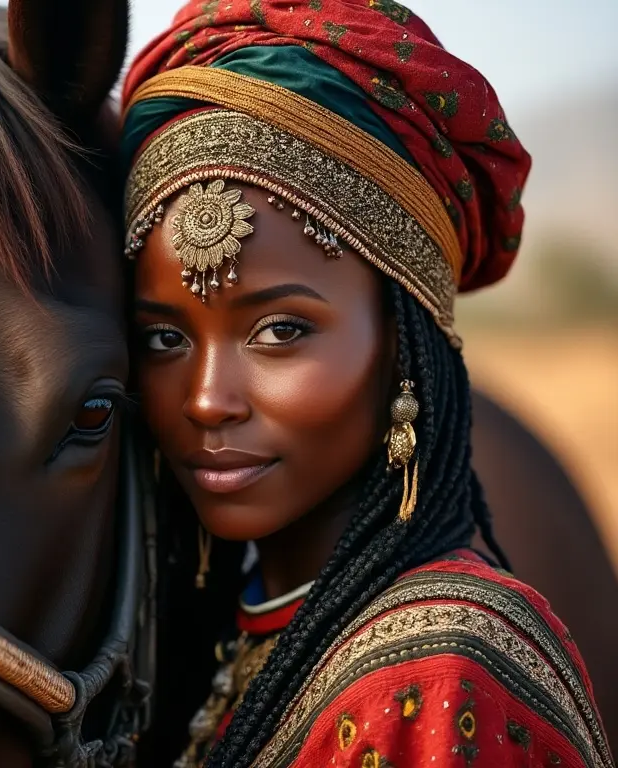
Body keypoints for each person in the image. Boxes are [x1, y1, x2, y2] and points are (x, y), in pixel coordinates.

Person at [119, 2, 613, 767]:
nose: (207, 398)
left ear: (402, 346)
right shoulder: (238, 646)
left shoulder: (448, 677)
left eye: (280, 330)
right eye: (164, 338)